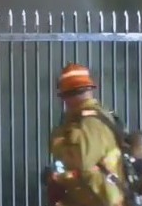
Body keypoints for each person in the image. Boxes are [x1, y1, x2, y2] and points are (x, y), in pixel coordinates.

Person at [47, 63, 127, 206]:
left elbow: (79, 160)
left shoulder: (91, 122)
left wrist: (58, 141)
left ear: (67, 95)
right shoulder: (87, 119)